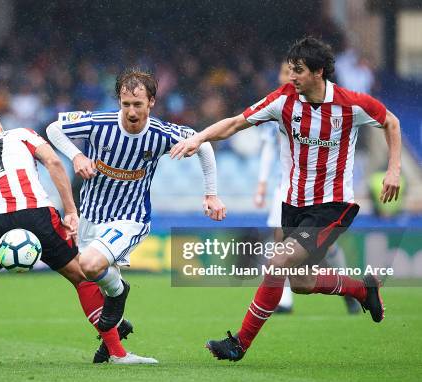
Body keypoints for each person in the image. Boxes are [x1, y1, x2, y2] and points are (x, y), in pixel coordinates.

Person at [171, 37, 401, 361]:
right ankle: (362, 290)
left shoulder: (350, 104)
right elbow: (237, 123)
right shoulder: (283, 101)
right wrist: (199, 136)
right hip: (293, 205)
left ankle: (239, 343)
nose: (291, 77)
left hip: (332, 206)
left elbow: (391, 121)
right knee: (303, 282)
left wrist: (393, 169)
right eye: (290, 70)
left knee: (277, 262)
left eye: (298, 71)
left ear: (319, 72)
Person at [0, 110, 157, 365]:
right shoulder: (20, 134)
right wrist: (71, 211)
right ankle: (117, 353)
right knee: (81, 277)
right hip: (36, 214)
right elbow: (53, 163)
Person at [46, 68, 226, 355]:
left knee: (91, 266)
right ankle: (117, 329)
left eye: (138, 104)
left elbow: (202, 144)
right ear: (119, 100)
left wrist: (211, 194)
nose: (131, 111)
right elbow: (53, 129)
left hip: (130, 217)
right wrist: (77, 155)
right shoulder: (98, 123)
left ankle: (120, 293)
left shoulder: (161, 134)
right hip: (91, 216)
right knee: (92, 274)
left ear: (151, 102)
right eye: (126, 104)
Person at [254, 61, 360, 314]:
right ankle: (285, 300)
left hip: (318, 189)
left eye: (291, 73)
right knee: (281, 241)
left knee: (324, 249)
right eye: (283, 73)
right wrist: (261, 183)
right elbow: (268, 147)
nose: (287, 77)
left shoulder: (322, 106)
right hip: (286, 187)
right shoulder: (275, 105)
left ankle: (348, 288)